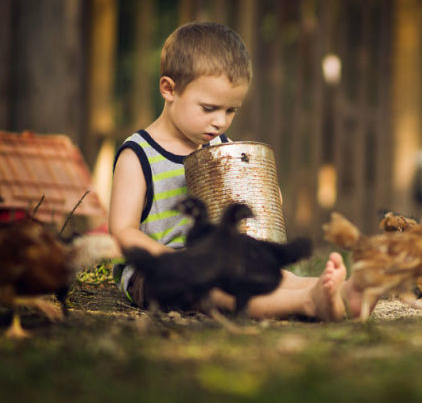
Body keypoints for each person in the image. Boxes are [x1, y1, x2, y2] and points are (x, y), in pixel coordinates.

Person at [108, 21, 368, 321]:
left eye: (231, 111)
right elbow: (122, 230)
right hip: (158, 272)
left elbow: (252, 202)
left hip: (217, 259)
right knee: (211, 290)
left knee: (272, 274)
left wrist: (264, 196)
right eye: (209, 108)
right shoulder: (138, 154)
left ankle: (345, 294)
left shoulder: (221, 149)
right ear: (169, 89)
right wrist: (172, 261)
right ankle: (306, 304)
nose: (220, 122)